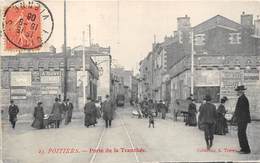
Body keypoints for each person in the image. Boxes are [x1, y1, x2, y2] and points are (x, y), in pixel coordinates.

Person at [232, 85, 251, 154]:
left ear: (241, 91)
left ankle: (246, 150)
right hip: (242, 119)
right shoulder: (242, 98)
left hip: (242, 120)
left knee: (241, 133)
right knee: (241, 133)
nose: (236, 92)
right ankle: (243, 148)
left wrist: (237, 119)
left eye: (237, 91)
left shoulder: (242, 99)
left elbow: (242, 111)